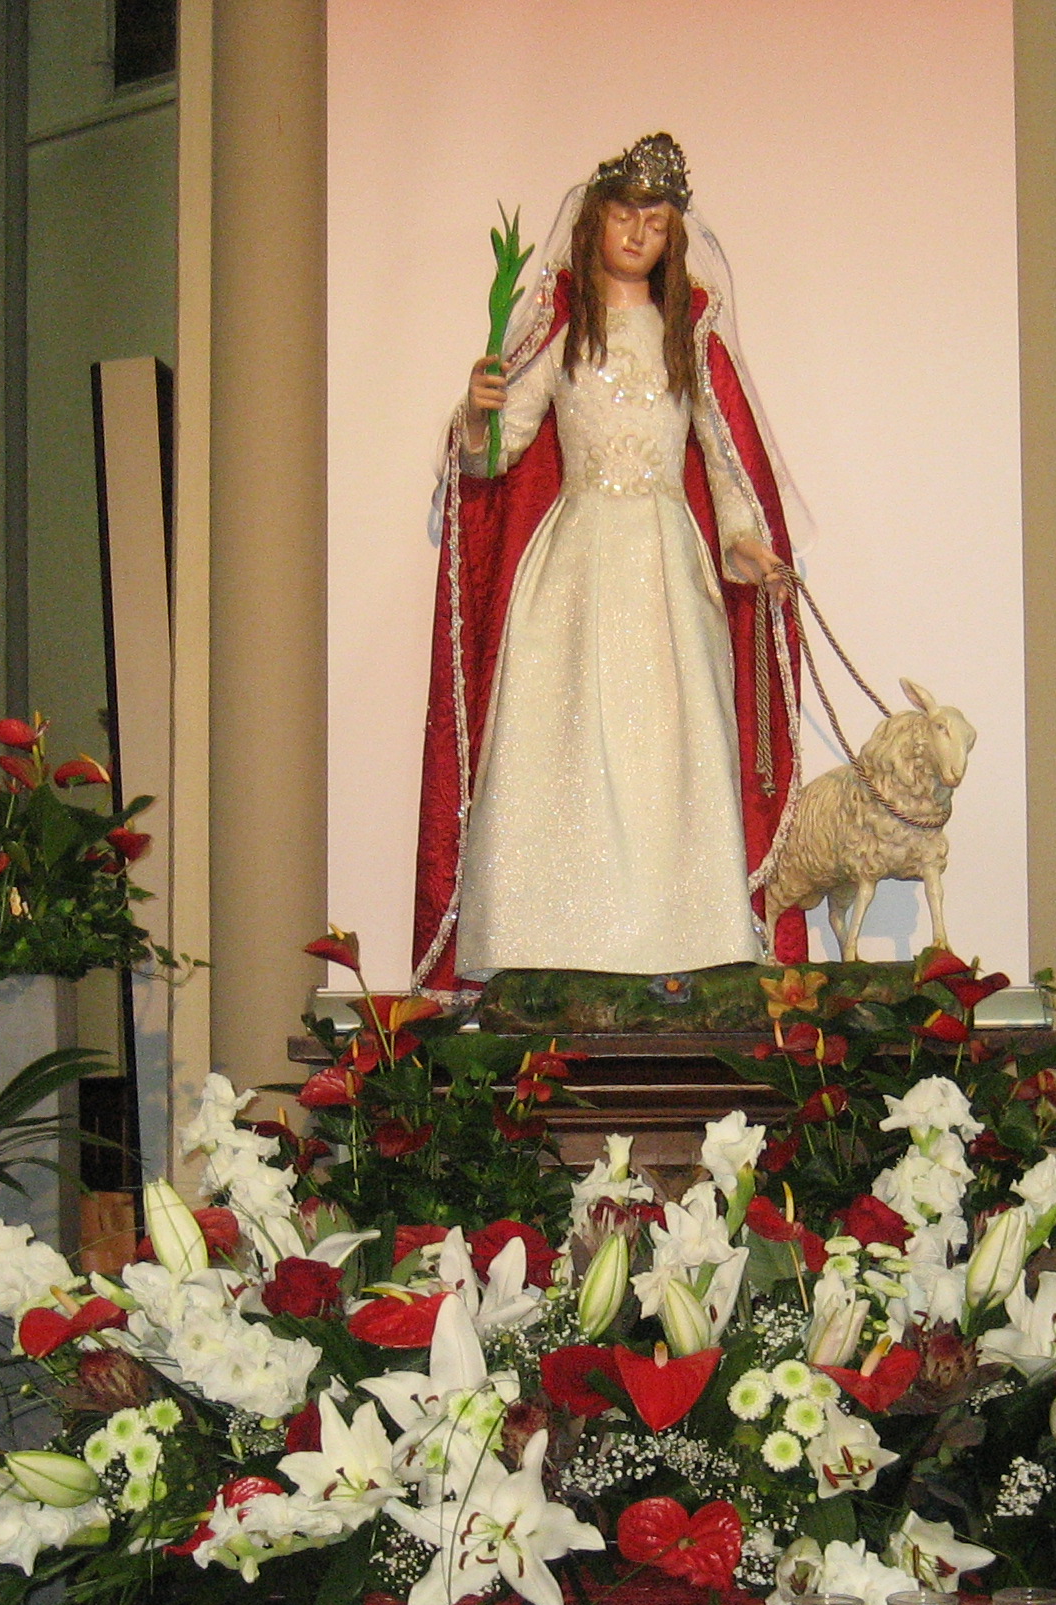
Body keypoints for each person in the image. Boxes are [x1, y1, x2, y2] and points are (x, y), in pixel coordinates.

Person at [414, 133, 808, 989]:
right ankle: (551, 935)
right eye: (625, 215)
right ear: (597, 219)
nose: (638, 234)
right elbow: (498, 451)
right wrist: (477, 414)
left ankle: (682, 936)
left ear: (673, 235)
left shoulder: (688, 329)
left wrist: (748, 544)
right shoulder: (563, 320)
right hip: (579, 561)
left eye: (656, 222)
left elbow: (723, 453)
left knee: (670, 742)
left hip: (667, 559)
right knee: (565, 738)